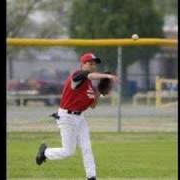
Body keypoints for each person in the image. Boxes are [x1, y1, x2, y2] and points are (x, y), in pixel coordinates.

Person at [36, 52, 118, 180]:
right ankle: (45, 152)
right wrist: (107, 75)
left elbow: (93, 105)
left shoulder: (90, 86)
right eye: (90, 63)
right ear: (83, 64)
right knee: (68, 152)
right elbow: (89, 75)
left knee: (87, 147)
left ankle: (91, 176)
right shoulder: (77, 75)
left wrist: (100, 92)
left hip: (80, 118)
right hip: (67, 117)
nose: (93, 66)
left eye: (94, 64)